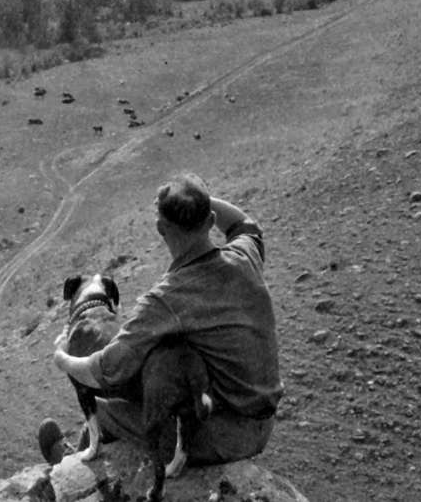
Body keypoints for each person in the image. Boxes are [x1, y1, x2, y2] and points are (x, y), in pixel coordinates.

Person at [42, 173, 282, 467]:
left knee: (104, 410)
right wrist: (198, 202)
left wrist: (62, 358)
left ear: (160, 228)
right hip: (263, 422)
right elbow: (244, 224)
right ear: (210, 221)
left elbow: (105, 369)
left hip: (223, 433)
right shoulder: (244, 256)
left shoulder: (166, 299)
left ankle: (68, 466)